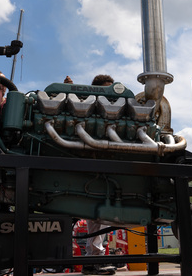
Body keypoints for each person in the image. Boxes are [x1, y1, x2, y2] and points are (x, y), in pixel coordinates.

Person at [82, 75, 116, 276]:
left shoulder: (113, 109)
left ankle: (93, 260)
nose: (110, 95)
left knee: (98, 218)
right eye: (107, 90)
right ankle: (94, 259)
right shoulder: (90, 106)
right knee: (97, 217)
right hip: (90, 167)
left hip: (104, 167)